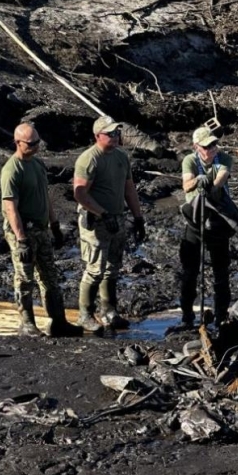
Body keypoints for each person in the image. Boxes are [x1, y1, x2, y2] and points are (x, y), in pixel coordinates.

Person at [0, 123, 83, 337]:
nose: (37, 146)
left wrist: (55, 225)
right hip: (23, 231)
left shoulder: (37, 164)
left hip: (41, 228)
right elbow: (10, 207)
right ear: (18, 143)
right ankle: (27, 324)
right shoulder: (12, 169)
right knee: (24, 277)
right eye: (31, 143)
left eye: (38, 142)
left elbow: (45, 197)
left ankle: (58, 321)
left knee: (50, 276)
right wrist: (21, 240)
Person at [73, 115, 146, 334]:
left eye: (116, 133)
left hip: (118, 218)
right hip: (96, 221)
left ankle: (109, 310)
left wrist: (138, 216)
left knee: (113, 267)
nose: (114, 137)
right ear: (97, 136)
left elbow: (129, 188)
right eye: (110, 134)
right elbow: (80, 194)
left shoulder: (121, 158)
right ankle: (85, 314)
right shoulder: (89, 159)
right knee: (95, 269)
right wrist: (102, 214)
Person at [176, 125, 234, 330]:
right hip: (195, 219)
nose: (211, 149)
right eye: (206, 146)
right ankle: (187, 316)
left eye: (213, 145)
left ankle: (221, 316)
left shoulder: (224, 159)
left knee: (221, 271)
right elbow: (185, 185)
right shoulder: (190, 161)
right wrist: (196, 181)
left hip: (218, 219)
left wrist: (210, 183)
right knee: (190, 271)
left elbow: (221, 180)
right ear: (196, 147)